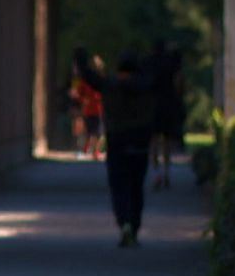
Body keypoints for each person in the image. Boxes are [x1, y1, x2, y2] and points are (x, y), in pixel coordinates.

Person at [73, 46, 156, 247]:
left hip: (117, 139)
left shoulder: (110, 85)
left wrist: (81, 58)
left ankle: (124, 222)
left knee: (119, 185)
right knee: (136, 187)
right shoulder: (145, 86)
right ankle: (134, 227)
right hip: (140, 141)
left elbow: (90, 78)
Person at [147, 39, 185, 189]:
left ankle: (156, 173)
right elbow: (179, 81)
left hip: (153, 105)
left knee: (154, 142)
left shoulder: (148, 63)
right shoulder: (171, 63)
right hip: (169, 104)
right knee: (167, 142)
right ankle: (166, 173)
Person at [68, 52, 106, 160]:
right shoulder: (86, 80)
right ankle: (92, 151)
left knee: (99, 133)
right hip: (90, 110)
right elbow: (78, 93)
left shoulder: (103, 79)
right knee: (92, 132)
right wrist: (83, 99)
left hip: (99, 109)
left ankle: (93, 150)